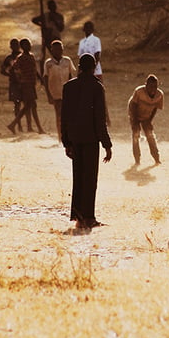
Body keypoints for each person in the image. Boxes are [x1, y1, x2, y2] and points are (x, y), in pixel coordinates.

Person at [61, 53, 112, 229]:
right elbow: (99, 119)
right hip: (91, 139)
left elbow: (64, 117)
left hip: (74, 138)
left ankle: (78, 216)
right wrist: (107, 144)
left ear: (79, 67)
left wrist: (66, 142)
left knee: (78, 177)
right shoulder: (97, 87)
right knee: (90, 179)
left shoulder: (68, 87)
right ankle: (89, 217)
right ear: (93, 68)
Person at [7, 38, 45, 134]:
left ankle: (13, 124)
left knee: (28, 106)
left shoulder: (31, 56)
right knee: (32, 105)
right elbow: (14, 68)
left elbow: (34, 70)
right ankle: (39, 128)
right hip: (26, 84)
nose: (29, 46)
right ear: (22, 47)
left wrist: (40, 78)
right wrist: (19, 79)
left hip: (31, 84)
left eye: (29, 44)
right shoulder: (21, 57)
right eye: (26, 45)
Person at [44, 40, 76, 142]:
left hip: (68, 94)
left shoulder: (67, 61)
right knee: (59, 116)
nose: (59, 51)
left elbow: (71, 75)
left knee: (69, 116)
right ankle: (60, 138)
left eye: (60, 49)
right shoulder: (48, 63)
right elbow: (45, 78)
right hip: (56, 93)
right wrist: (49, 95)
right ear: (52, 50)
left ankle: (69, 136)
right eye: (56, 49)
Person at [128, 74, 164, 165]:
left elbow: (155, 108)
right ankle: (137, 160)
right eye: (150, 86)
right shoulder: (139, 91)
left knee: (150, 135)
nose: (153, 89)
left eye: (155, 87)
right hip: (135, 113)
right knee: (136, 135)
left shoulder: (159, 95)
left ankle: (156, 158)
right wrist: (135, 122)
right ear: (146, 85)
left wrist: (149, 121)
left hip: (146, 116)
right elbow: (133, 106)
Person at [0, 38, 24, 130]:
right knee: (17, 104)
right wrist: (10, 75)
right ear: (10, 47)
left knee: (27, 104)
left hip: (23, 82)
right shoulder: (8, 58)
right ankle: (19, 125)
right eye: (13, 45)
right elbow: (2, 70)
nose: (15, 47)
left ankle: (25, 125)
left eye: (16, 45)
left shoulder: (23, 56)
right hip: (14, 83)